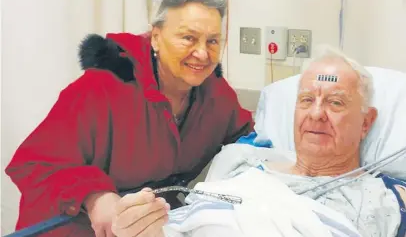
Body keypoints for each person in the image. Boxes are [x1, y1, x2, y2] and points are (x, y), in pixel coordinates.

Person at [4, 0, 254, 237]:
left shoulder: (215, 93)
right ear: (156, 37)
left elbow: (246, 140)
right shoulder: (101, 89)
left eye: (212, 41)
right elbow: (33, 164)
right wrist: (95, 197)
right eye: (188, 38)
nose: (202, 53)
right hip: (68, 227)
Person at [111, 47, 406, 237]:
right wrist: (141, 229)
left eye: (336, 102)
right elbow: (184, 225)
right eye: (306, 100)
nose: (316, 114)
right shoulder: (244, 169)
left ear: (366, 122)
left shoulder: (388, 197)